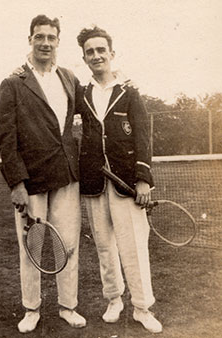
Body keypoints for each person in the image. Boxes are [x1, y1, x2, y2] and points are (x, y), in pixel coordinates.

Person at [0, 15, 86, 333]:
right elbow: (5, 137)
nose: (45, 42)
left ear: (58, 41)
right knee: (32, 246)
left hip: (67, 176)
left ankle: (67, 306)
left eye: (51, 37)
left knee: (69, 244)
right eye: (39, 36)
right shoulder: (12, 83)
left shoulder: (70, 78)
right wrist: (16, 183)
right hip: (31, 181)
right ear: (30, 40)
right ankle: (31, 308)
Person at [76, 26, 163, 333]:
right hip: (94, 183)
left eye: (101, 50)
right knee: (104, 246)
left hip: (127, 183)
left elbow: (142, 137)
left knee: (135, 247)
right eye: (90, 51)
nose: (96, 55)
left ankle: (142, 306)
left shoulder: (130, 92)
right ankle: (114, 300)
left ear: (111, 54)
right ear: (84, 58)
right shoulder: (81, 94)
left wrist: (143, 179)